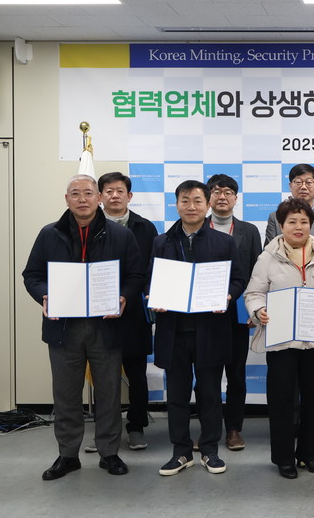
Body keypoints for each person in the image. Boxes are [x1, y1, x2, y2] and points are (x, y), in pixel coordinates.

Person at [23, 174, 145, 480]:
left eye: (88, 193)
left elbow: (136, 275)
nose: (82, 199)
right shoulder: (49, 234)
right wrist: (45, 296)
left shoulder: (120, 235)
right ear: (66, 199)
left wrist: (124, 297)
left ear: (98, 198)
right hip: (64, 329)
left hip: (106, 326)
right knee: (65, 395)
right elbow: (32, 275)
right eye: (75, 194)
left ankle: (109, 453)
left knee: (109, 393)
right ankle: (67, 455)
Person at [244, 198, 314, 479]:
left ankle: (310, 455)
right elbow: (253, 293)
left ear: (310, 224)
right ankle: (284, 458)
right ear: (281, 225)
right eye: (292, 221)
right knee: (281, 401)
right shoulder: (267, 257)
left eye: (303, 221)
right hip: (281, 342)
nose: (298, 227)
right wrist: (259, 310)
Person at [150, 180, 245, 476]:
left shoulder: (224, 242)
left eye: (197, 201)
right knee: (177, 396)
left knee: (210, 395)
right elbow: (151, 280)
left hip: (211, 329)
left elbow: (238, 279)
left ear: (207, 205)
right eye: (185, 200)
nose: (191, 206)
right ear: (176, 204)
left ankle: (209, 450)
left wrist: (227, 296)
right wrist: (154, 298)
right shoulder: (161, 242)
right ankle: (180, 451)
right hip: (173, 330)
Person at [264, 163, 314, 444]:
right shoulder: (275, 216)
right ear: (290, 185)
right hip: (284, 304)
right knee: (287, 372)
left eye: (309, 181)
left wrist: (309, 260)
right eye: (298, 181)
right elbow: (270, 252)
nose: (304, 185)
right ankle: (294, 423)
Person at [98, 172, 158, 451]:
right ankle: (104, 431)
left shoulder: (145, 227)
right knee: (103, 376)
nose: (114, 195)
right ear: (101, 196)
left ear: (129, 196)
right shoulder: (89, 226)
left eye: (119, 191)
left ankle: (136, 426)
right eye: (108, 191)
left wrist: (134, 295)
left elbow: (153, 268)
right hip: (98, 312)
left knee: (136, 374)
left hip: (134, 312)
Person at [205, 174, 262, 452]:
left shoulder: (249, 231)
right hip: (204, 313)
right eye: (216, 191)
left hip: (238, 311)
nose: (222, 196)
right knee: (207, 375)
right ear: (208, 198)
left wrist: (253, 309)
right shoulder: (196, 227)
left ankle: (234, 429)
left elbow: (257, 273)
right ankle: (209, 429)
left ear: (236, 199)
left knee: (236, 374)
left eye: (228, 192)